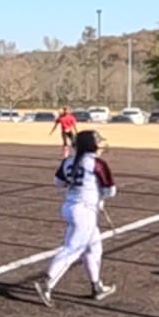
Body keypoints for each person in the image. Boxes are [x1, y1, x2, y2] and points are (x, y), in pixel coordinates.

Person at [33, 130, 117, 306]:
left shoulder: (68, 161)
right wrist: (98, 196)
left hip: (72, 207)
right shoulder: (97, 163)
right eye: (98, 142)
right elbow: (110, 190)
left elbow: (58, 182)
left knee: (93, 248)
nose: (101, 145)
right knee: (73, 249)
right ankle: (47, 282)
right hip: (85, 211)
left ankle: (96, 286)